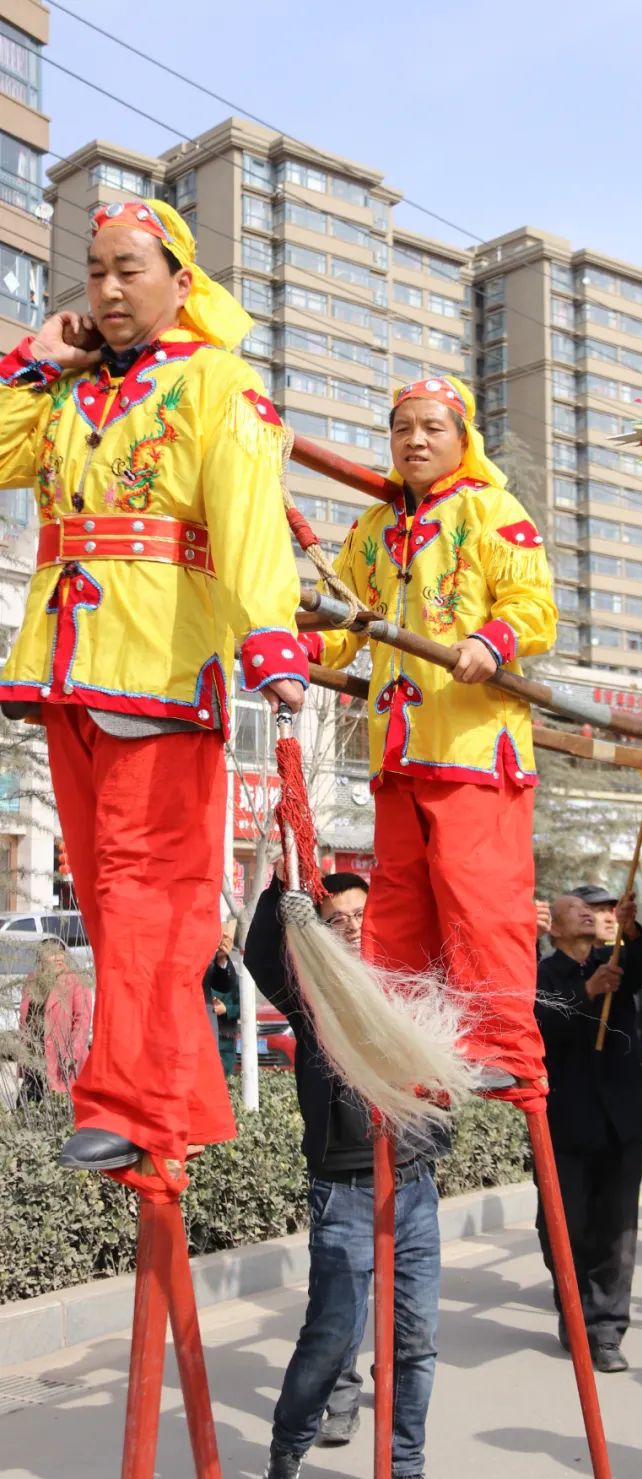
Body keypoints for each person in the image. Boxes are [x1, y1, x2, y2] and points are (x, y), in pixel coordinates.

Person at [0, 198, 307, 1185]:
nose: (109, 287)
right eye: (94, 270)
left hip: (166, 670)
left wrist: (271, 640)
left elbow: (250, 519)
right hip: (65, 663)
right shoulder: (73, 392)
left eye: (129, 267)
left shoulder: (218, 382)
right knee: (109, 899)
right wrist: (37, 360)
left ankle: (128, 1102)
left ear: (182, 280)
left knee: (144, 898)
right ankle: (171, 1097)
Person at [303, 375, 555, 1093]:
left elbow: (534, 604)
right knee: (399, 910)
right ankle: (404, 1041)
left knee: (482, 903)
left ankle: (500, 1047)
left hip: (473, 748)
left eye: (432, 428)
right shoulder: (372, 529)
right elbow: (345, 628)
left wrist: (494, 639)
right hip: (398, 751)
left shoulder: (489, 509)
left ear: (462, 437)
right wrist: (290, 649)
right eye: (402, 428)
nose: (415, 440)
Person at [245, 869, 445, 1479]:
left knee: (415, 1340)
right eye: (337, 920)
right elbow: (257, 956)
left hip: (413, 1186)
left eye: (363, 914)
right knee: (332, 1339)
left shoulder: (405, 986)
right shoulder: (313, 999)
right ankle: (285, 1453)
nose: (354, 926)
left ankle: (405, 1469)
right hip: (346, 1190)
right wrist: (279, 897)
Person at [535, 891, 642, 1371]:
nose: (587, 912)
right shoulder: (542, 975)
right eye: (573, 908)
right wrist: (586, 994)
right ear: (554, 928)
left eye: (594, 909)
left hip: (620, 1121)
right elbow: (536, 1027)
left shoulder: (617, 959)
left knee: (617, 1231)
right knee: (564, 1227)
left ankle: (605, 1330)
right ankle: (573, 1310)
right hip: (565, 1123)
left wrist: (633, 928)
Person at [17, 938, 92, 1103]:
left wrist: (72, 1054)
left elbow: (82, 1022)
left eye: (61, 952)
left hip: (62, 1061)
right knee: (25, 1107)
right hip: (35, 1060)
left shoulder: (75, 981)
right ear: (41, 958)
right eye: (52, 953)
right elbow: (25, 1020)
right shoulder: (32, 981)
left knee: (59, 1108)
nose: (58, 957)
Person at [207, 923, 241, 1079]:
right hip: (201, 1038)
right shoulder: (199, 965)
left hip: (223, 1041)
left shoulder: (229, 972)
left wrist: (226, 1009)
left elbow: (243, 1007)